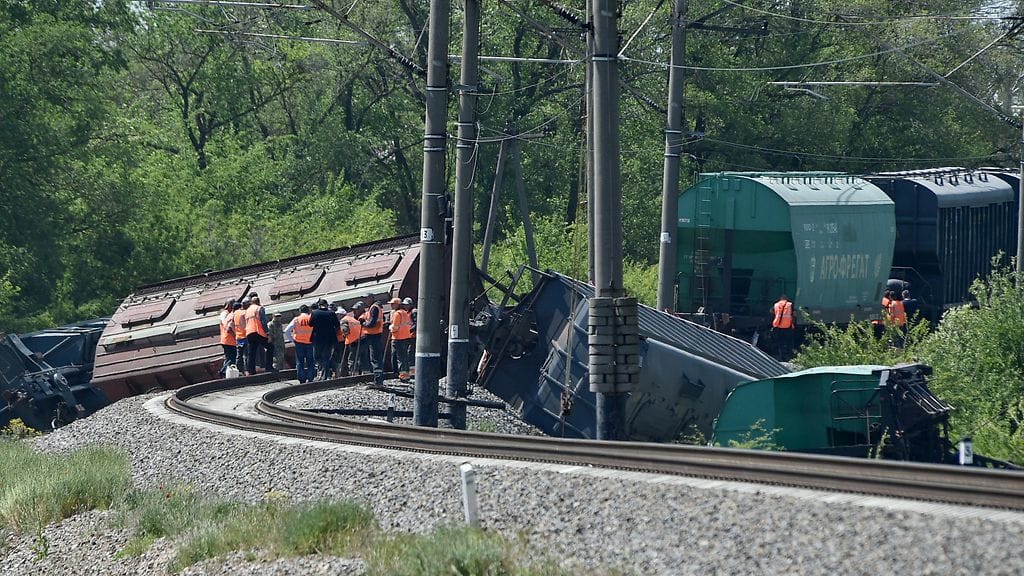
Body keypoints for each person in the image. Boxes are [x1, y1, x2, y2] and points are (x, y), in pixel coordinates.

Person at [310, 298, 340, 380]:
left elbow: (310, 324)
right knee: (326, 357)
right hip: (329, 339)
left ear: (319, 305)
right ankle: (325, 375)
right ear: (326, 305)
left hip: (317, 339)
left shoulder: (315, 313)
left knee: (316, 356)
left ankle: (321, 369)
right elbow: (337, 325)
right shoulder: (332, 313)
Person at [360, 296, 385, 385]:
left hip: (373, 335)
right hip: (375, 335)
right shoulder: (375, 307)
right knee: (376, 357)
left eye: (366, 298)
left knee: (375, 358)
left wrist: (363, 323)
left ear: (371, 298)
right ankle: (378, 378)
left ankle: (378, 380)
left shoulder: (374, 307)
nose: (365, 300)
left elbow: (372, 323)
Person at [244, 294, 270, 376]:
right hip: (258, 332)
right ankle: (269, 367)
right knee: (270, 347)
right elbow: (263, 322)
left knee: (252, 352)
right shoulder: (259, 308)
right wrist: (267, 333)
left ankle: (251, 370)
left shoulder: (247, 310)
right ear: (258, 302)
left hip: (249, 333)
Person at [389, 297, 414, 382]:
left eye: (393, 304)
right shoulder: (404, 313)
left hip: (398, 338)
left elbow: (395, 327)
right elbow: (409, 324)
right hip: (406, 337)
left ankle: (402, 375)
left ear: (397, 304)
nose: (391, 306)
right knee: (405, 357)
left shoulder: (397, 314)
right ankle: (407, 374)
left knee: (400, 357)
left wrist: (390, 327)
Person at [290, 304, 315, 383]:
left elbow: (287, 330)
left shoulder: (296, 319)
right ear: (308, 311)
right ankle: (310, 378)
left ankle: (301, 379)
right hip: (310, 342)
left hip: (299, 343)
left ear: (300, 311)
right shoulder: (311, 318)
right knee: (310, 361)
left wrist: (292, 339)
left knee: (300, 361)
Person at [341, 302, 365, 375]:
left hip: (354, 341)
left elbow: (345, 331)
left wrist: (344, 335)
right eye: (353, 310)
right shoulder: (353, 319)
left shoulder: (345, 320)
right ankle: (363, 373)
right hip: (362, 339)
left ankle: (354, 373)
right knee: (362, 358)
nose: (354, 311)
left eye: (355, 310)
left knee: (352, 359)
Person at [771, 294, 796, 359]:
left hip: (778, 326)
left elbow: (771, 311)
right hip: (788, 326)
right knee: (789, 342)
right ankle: (790, 356)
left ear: (780, 299)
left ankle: (782, 356)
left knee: (780, 342)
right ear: (786, 299)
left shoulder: (776, 305)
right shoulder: (790, 304)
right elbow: (794, 313)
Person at [218, 298, 236, 377]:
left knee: (230, 357)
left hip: (229, 340)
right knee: (231, 358)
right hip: (228, 340)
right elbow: (227, 326)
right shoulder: (224, 314)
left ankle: (227, 373)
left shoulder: (229, 314)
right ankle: (223, 371)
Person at [232, 299, 249, 376]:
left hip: (238, 337)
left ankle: (238, 371)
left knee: (239, 356)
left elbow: (231, 325)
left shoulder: (234, 314)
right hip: (245, 336)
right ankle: (247, 371)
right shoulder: (244, 312)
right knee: (246, 355)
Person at [403, 297, 416, 378]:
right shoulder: (407, 312)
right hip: (408, 336)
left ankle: (412, 373)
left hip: (413, 336)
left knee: (411, 354)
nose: (405, 306)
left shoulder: (414, 312)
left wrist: (408, 331)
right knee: (408, 354)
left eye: (406, 305)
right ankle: (410, 372)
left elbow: (416, 324)